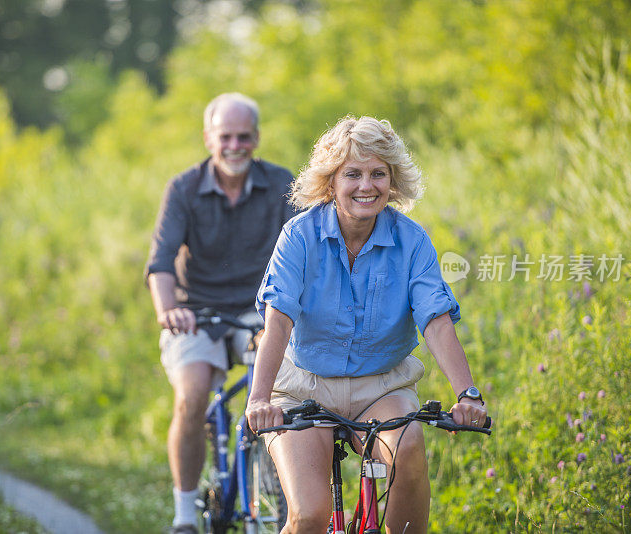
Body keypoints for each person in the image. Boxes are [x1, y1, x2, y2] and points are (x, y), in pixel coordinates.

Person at [245, 116, 488, 534]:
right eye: (352, 174)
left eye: (379, 174)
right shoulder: (298, 236)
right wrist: (259, 399)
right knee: (309, 516)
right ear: (330, 183)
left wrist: (467, 394)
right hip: (303, 385)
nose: (366, 186)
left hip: (382, 386)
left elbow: (436, 320)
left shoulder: (412, 241)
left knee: (408, 446)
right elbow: (278, 321)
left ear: (392, 182)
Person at [145, 93, 295, 534]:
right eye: (225, 136)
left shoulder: (281, 183)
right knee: (192, 396)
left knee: (284, 398)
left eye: (243, 136)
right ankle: (185, 514)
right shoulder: (184, 188)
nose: (235, 145)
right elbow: (160, 263)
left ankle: (292, 503)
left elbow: (309, 250)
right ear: (209, 138)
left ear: (256, 138)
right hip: (197, 313)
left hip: (262, 311)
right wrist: (169, 309)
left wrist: (285, 311)